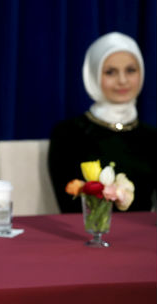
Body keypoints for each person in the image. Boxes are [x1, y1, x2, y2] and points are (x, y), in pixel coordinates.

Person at [48, 32, 157, 213]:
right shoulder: (68, 133)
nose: (122, 81)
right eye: (110, 72)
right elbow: (69, 205)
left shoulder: (152, 137)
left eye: (130, 70)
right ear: (93, 75)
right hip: (87, 236)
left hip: (143, 239)